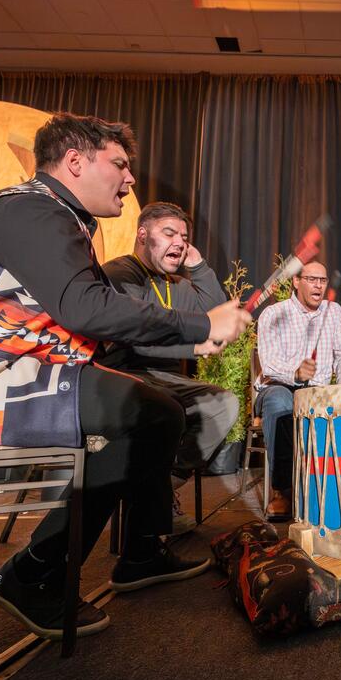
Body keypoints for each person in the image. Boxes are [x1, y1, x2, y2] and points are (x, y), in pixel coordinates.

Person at [0, 113, 252, 640]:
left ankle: (137, 554)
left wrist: (196, 332)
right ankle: (35, 573)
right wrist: (199, 324)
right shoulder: (30, 211)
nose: (129, 181)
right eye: (119, 165)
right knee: (146, 413)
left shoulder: (54, 216)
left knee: (152, 408)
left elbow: (87, 321)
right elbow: (86, 308)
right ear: (75, 161)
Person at [103, 202, 240, 534]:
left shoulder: (178, 284)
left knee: (224, 404)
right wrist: (191, 346)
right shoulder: (122, 273)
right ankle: (150, 497)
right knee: (162, 409)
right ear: (142, 234)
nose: (178, 241)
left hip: (167, 379)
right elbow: (132, 336)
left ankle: (160, 485)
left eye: (184, 236)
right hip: (122, 373)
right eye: (168, 233)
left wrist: (199, 265)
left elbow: (214, 315)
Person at [254, 260, 341, 520]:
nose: (318, 286)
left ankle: (333, 490)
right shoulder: (273, 314)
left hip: (317, 390)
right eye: (312, 279)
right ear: (296, 282)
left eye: (322, 281)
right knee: (281, 404)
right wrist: (295, 373)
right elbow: (268, 364)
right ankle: (283, 492)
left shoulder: (333, 312)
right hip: (279, 385)